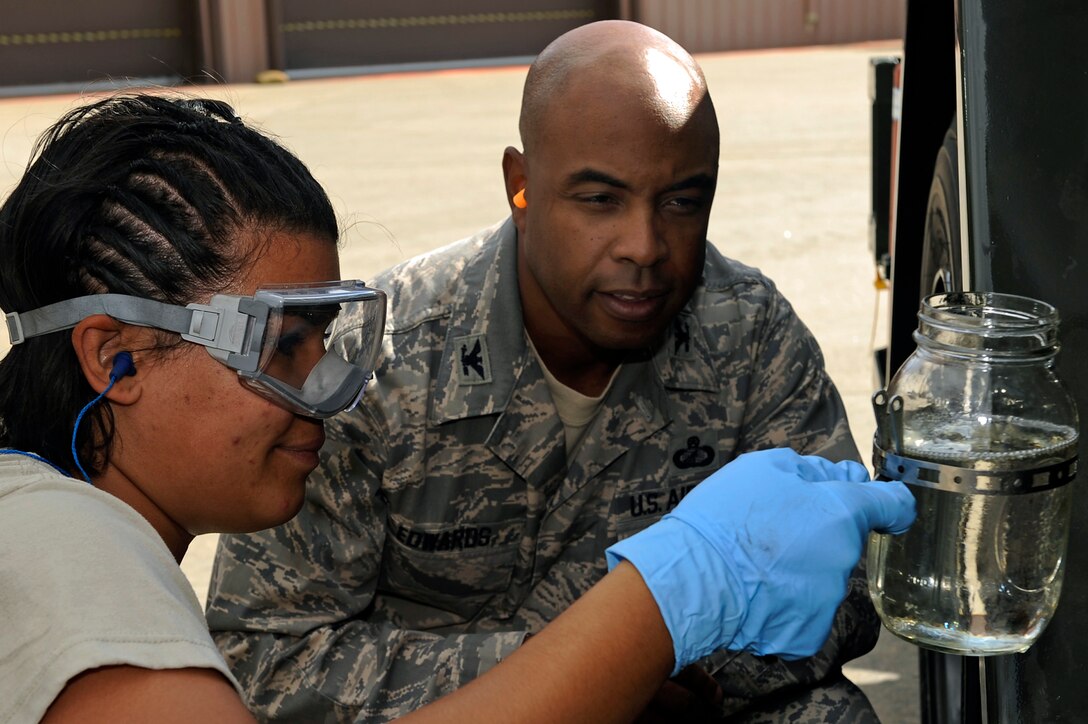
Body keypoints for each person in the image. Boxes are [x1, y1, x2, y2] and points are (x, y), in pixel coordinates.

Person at [0, 95, 914, 724]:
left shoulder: (66, 531)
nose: (330, 391)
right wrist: (657, 607)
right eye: (282, 345)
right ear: (116, 357)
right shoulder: (74, 569)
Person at [208, 18, 888, 724]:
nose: (645, 246)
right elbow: (264, 654)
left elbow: (847, 591)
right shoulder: (378, 362)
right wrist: (592, 672)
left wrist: (669, 668)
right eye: (600, 200)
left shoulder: (748, 337)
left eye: (682, 202)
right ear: (521, 185)